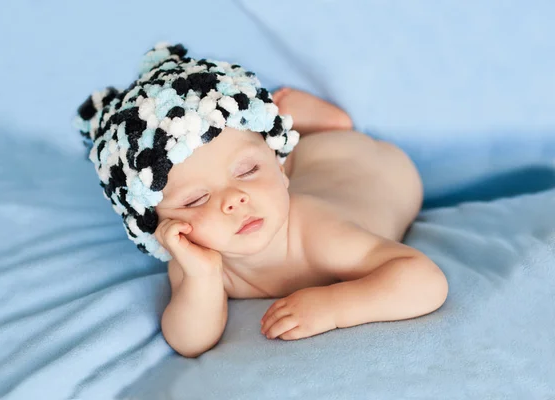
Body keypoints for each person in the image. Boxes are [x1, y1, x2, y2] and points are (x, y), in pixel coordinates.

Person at [74, 43, 448, 359]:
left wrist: (336, 306)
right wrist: (202, 278)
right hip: (307, 173)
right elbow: (188, 340)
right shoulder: (197, 257)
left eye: (247, 171)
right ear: (155, 225)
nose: (235, 199)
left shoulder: (318, 233)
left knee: (327, 141)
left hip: (363, 164)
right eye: (197, 198)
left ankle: (318, 124)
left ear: (278, 167)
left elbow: (425, 281)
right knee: (261, 157)